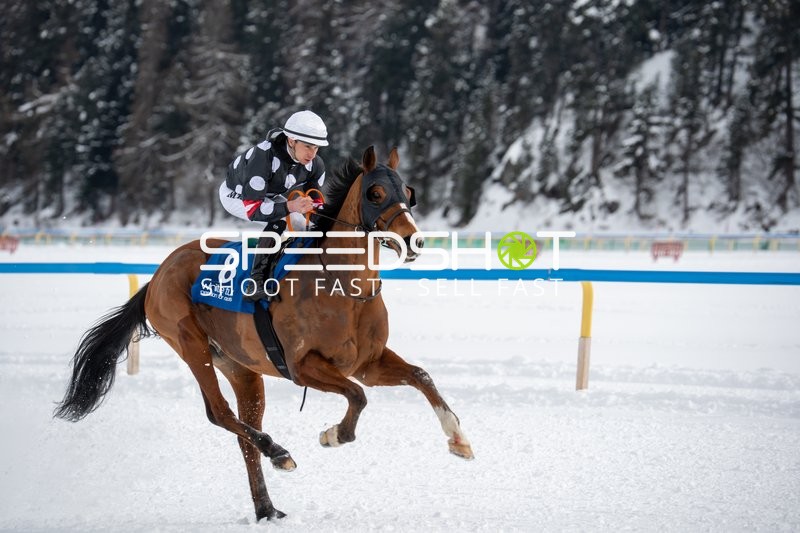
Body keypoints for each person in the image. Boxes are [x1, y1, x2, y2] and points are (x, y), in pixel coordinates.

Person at [219, 109, 328, 300]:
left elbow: (317, 207)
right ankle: (256, 282)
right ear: (291, 140)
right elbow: (254, 210)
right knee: (279, 222)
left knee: (302, 225)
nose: (312, 154)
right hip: (237, 195)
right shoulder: (262, 158)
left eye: (317, 148)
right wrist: (292, 206)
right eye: (308, 146)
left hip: (268, 195)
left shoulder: (315, 164)